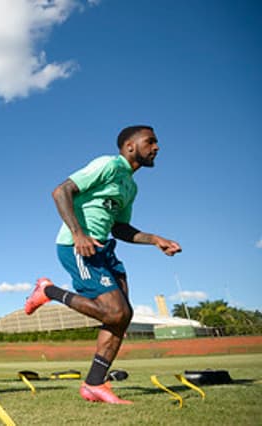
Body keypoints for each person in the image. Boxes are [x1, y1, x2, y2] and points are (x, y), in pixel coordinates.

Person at [25, 125, 182, 404]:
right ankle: (48, 291)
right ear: (130, 146)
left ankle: (95, 384)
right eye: (151, 141)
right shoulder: (108, 164)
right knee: (113, 312)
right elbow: (61, 192)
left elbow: (120, 228)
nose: (157, 147)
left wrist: (154, 239)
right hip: (77, 246)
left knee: (123, 316)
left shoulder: (130, 186)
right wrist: (78, 234)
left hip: (104, 250)